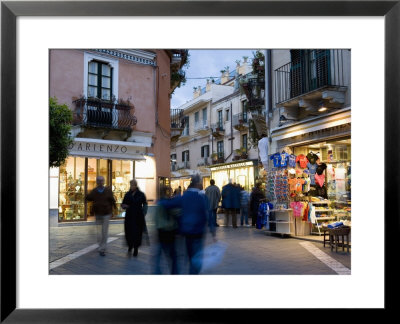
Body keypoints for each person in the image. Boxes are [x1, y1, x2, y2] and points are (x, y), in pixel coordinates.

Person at [160, 174, 215, 274]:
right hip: (198, 232)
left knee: (189, 256)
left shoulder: (184, 196)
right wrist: (212, 230)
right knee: (196, 259)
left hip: (186, 232)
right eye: (201, 183)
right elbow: (209, 214)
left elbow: (168, 204)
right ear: (197, 184)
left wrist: (161, 200)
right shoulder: (202, 197)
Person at [85, 176, 116, 256]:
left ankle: (102, 248)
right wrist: (86, 195)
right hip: (98, 214)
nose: (100, 182)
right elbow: (88, 198)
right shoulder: (94, 191)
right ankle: (100, 245)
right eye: (98, 181)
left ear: (104, 181)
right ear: (96, 182)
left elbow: (112, 200)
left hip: (106, 214)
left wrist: (113, 210)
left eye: (101, 180)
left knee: (104, 232)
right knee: (99, 232)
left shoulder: (108, 190)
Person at [154, 185, 180, 274]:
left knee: (158, 257)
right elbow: (177, 213)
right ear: (166, 192)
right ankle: (174, 273)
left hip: (160, 232)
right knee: (173, 257)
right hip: (169, 232)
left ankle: (157, 273)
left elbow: (156, 219)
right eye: (170, 191)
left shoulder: (159, 202)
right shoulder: (166, 203)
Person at [121, 179, 148, 257]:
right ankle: (130, 246)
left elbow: (145, 204)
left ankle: (136, 248)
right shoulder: (127, 194)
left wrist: (144, 212)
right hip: (129, 216)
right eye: (131, 185)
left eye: (133, 185)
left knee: (137, 232)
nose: (131, 186)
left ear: (136, 186)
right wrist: (124, 206)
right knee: (129, 232)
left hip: (138, 216)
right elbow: (123, 204)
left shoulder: (141, 194)